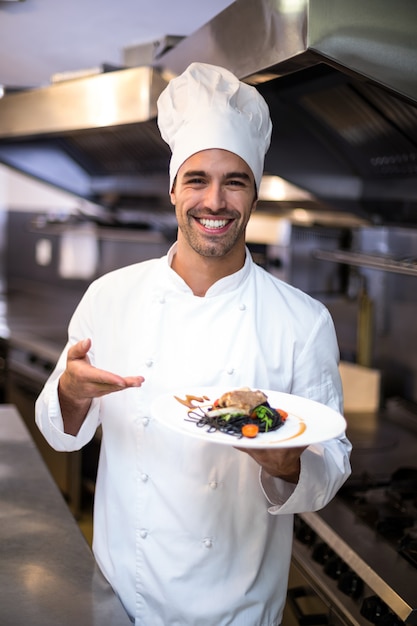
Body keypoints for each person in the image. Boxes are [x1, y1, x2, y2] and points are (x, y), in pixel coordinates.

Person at [36, 62, 351, 626]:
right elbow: (59, 430)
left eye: (235, 182)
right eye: (198, 180)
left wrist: (286, 467)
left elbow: (332, 464)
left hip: (237, 610)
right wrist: (70, 392)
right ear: (173, 189)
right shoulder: (111, 296)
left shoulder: (304, 321)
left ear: (255, 194)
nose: (215, 201)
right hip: (117, 597)